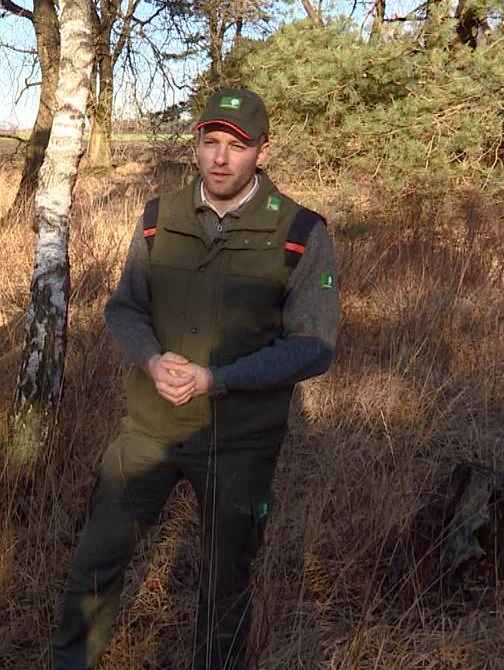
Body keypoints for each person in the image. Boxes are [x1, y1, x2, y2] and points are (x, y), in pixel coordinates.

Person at [50, 88, 341, 670]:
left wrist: (218, 379)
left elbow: (313, 347)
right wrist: (153, 360)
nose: (221, 158)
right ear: (197, 146)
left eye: (237, 146)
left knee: (224, 585)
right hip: (150, 430)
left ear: (262, 150)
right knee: (96, 563)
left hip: (240, 440)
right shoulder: (161, 217)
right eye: (210, 142)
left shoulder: (302, 233)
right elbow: (124, 308)